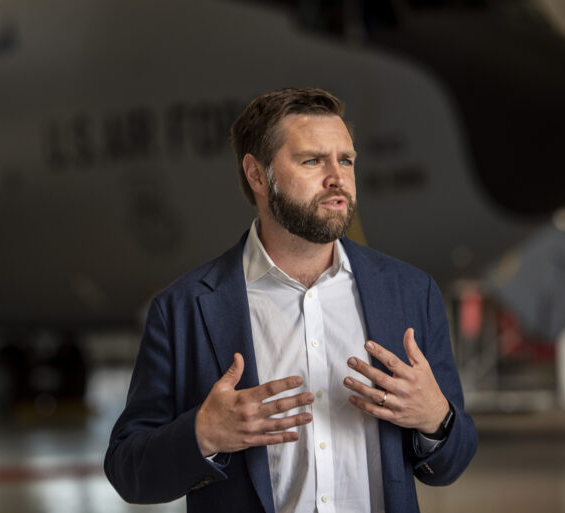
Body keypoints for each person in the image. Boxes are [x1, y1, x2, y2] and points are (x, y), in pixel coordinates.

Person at [104, 88, 477, 513]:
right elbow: (127, 471)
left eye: (346, 160)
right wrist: (203, 433)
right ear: (258, 175)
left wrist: (437, 419)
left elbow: (453, 462)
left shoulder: (411, 292)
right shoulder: (184, 308)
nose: (337, 177)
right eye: (313, 160)